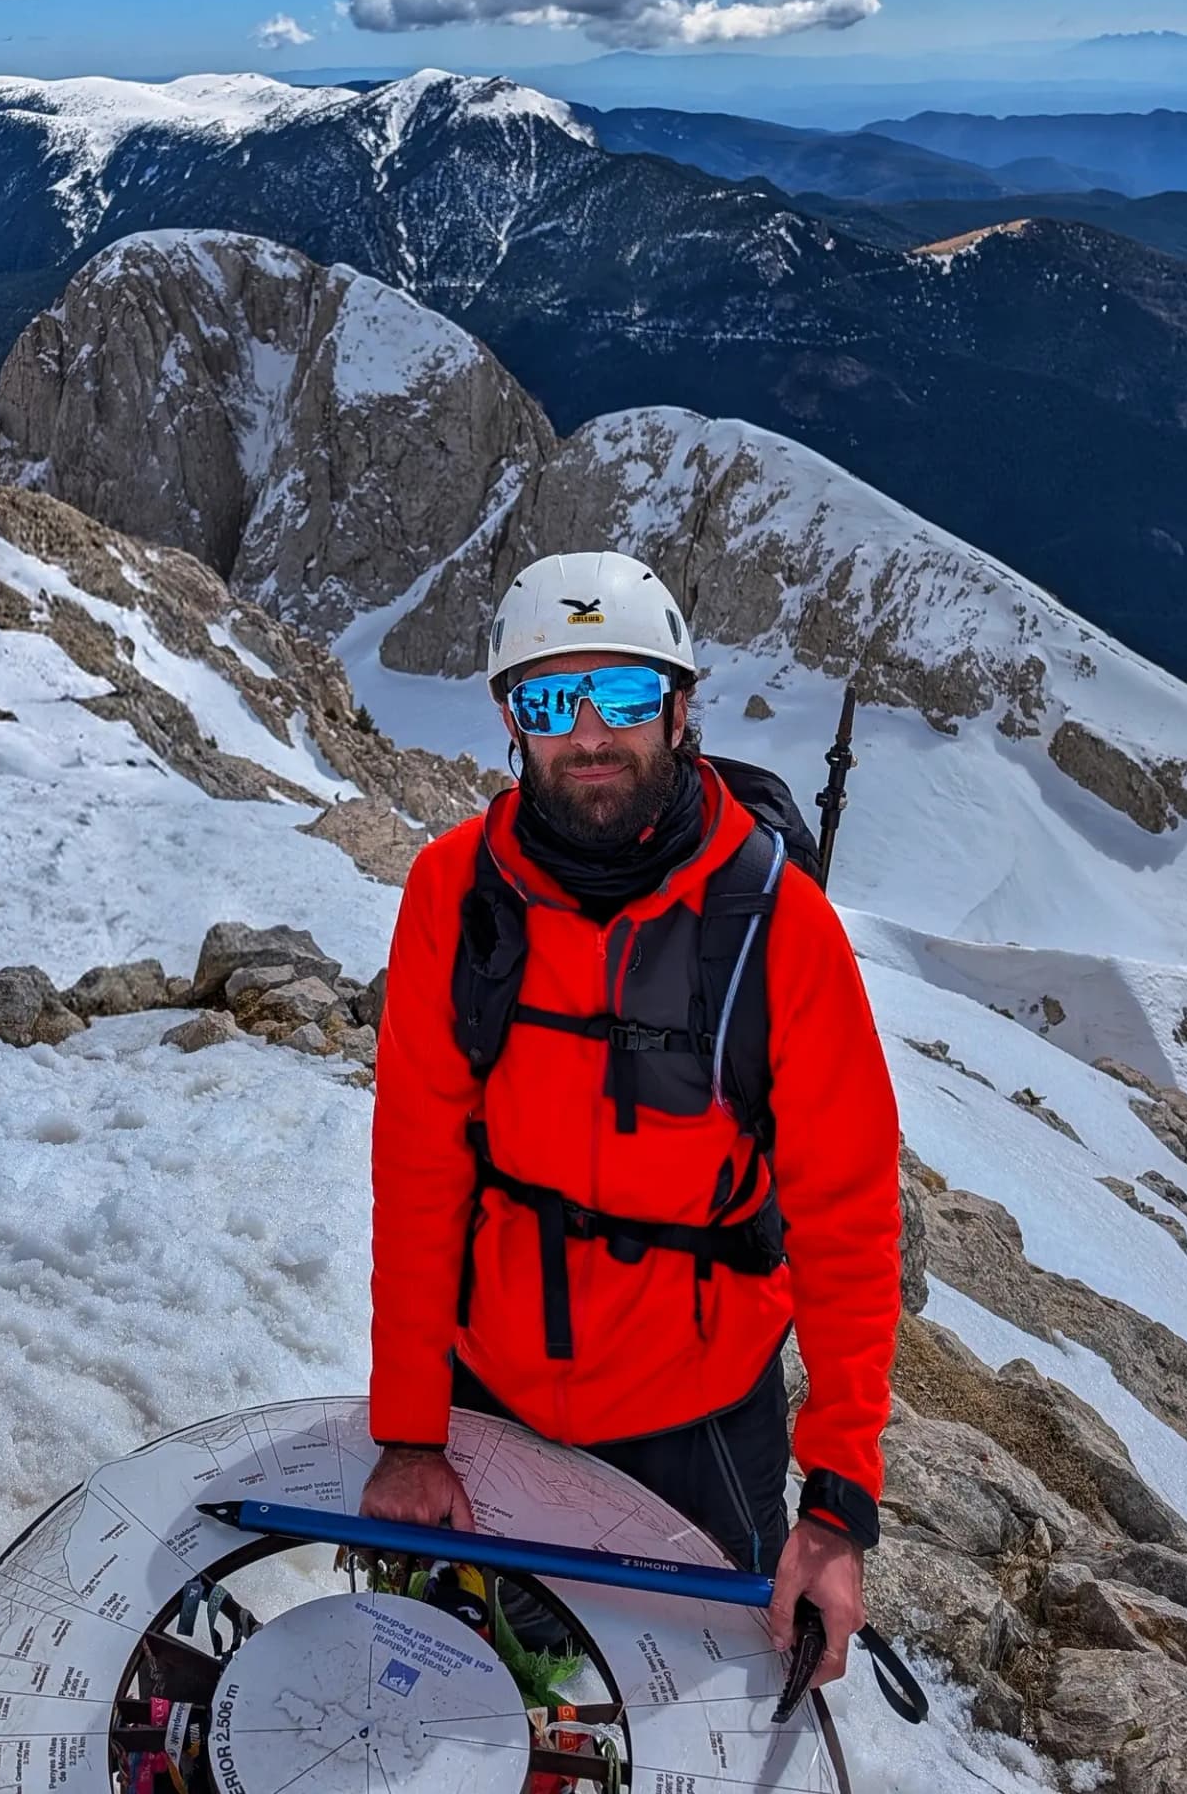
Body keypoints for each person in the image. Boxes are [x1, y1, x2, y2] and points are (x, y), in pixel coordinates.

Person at [361, 549, 901, 1690]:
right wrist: (411, 1431)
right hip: (492, 1393)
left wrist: (837, 1506)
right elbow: (417, 1172)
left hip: (701, 1422)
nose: (590, 733)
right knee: (467, 1701)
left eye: (622, 692)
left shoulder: (776, 925)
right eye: (552, 699)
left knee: (691, 1716)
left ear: (680, 707)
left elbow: (848, 1220)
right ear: (513, 722)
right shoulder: (455, 893)